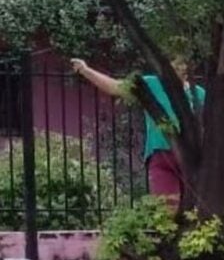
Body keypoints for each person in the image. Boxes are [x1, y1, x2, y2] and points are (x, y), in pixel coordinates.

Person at [70, 57, 205, 209]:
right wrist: (86, 70)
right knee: (167, 209)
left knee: (194, 210)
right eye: (175, 65)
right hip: (161, 155)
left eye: (183, 66)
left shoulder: (199, 94)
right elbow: (116, 87)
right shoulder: (150, 84)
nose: (179, 70)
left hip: (191, 158)